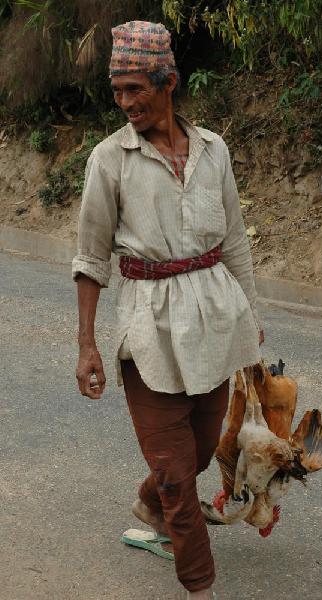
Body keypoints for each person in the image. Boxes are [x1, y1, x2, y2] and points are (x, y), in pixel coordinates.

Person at [73, 20, 264, 600]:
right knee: (180, 476)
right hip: (148, 330)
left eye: (136, 89)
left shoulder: (214, 151)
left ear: (169, 82)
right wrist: (87, 344)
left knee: (203, 450)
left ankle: (149, 501)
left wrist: (251, 316)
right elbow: (90, 256)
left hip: (215, 321)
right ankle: (199, 584)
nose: (126, 103)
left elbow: (233, 241)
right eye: (118, 92)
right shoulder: (110, 160)